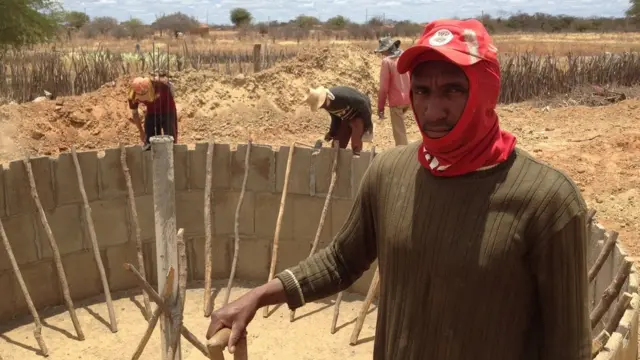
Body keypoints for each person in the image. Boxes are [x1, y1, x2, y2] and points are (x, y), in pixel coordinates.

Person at [206, 19, 591, 360]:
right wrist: (259, 295)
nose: (432, 110)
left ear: (486, 91)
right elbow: (342, 260)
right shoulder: (391, 173)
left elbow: (569, 347)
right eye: (421, 91)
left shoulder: (547, 202)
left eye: (453, 91)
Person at [302, 86, 373, 156]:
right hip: (347, 117)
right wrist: (331, 133)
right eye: (320, 106)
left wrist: (368, 126)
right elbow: (336, 118)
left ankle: (357, 159)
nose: (321, 107)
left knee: (356, 143)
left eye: (321, 105)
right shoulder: (326, 104)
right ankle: (336, 162)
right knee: (337, 144)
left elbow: (363, 104)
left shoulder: (341, 96)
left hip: (359, 114)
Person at [374, 37, 411, 146]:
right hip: (410, 98)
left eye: (382, 52)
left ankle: (403, 157)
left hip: (396, 102)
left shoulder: (387, 62)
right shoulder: (405, 56)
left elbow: (384, 87)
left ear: (387, 50)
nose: (382, 54)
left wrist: (380, 107)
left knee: (400, 135)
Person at [127, 74, 178, 150]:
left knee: (170, 137)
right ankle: (151, 151)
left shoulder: (160, 84)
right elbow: (135, 114)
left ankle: (171, 152)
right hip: (151, 110)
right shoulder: (132, 95)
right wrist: (141, 131)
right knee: (149, 136)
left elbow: (172, 91)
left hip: (167, 107)